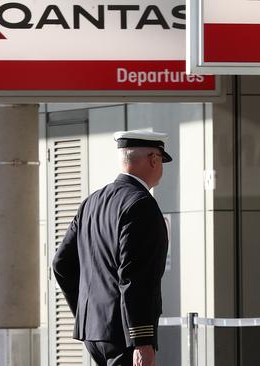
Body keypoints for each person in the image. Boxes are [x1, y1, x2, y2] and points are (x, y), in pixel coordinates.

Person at [52, 130, 172, 366]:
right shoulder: (141, 204)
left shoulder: (91, 202)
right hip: (124, 334)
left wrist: (88, 310)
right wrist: (142, 341)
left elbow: (61, 264)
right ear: (153, 160)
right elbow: (136, 278)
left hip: (94, 330)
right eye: (161, 160)